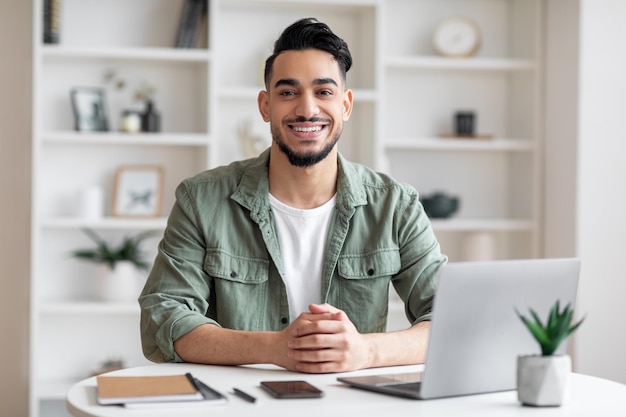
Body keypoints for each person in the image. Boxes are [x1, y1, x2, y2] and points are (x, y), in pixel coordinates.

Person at [139, 17, 446, 374]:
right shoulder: (201, 199)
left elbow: (450, 318)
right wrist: (275, 347)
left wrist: (366, 351)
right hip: (239, 403)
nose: (307, 109)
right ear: (265, 106)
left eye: (323, 92)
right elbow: (163, 319)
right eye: (288, 92)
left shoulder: (396, 205)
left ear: (345, 105)